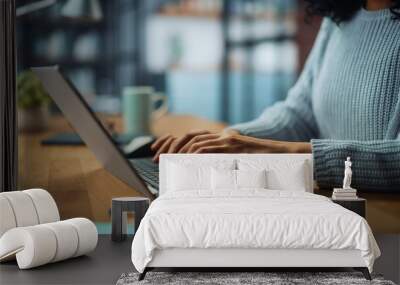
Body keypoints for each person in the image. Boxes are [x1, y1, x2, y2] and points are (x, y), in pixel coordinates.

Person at [152, 0, 400, 192]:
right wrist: (232, 138)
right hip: (329, 206)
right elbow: (299, 114)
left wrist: (277, 153)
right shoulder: (338, 20)